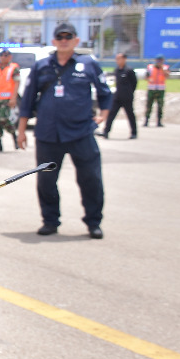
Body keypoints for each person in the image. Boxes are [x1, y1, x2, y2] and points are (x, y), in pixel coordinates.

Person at [18, 22, 112, 239]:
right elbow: (28, 100)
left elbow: (105, 93)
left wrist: (104, 116)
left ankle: (93, 222)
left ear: (76, 40)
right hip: (48, 134)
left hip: (81, 132)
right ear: (54, 41)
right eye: (59, 37)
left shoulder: (88, 64)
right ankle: (50, 221)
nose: (64, 40)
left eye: (68, 36)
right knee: (46, 181)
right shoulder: (42, 66)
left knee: (91, 179)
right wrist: (22, 131)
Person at [102, 53, 138, 139]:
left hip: (127, 97)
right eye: (116, 59)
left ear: (124, 59)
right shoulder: (117, 70)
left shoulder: (129, 70)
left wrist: (129, 92)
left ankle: (134, 132)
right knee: (111, 114)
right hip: (117, 97)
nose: (117, 61)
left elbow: (134, 83)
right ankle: (106, 132)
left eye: (119, 59)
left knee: (130, 115)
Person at [145, 55, 170, 127]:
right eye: (158, 60)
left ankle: (159, 121)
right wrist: (149, 79)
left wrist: (163, 69)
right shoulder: (150, 67)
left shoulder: (165, 68)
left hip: (161, 89)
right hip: (151, 89)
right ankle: (146, 120)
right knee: (149, 105)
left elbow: (167, 76)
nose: (159, 62)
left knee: (160, 106)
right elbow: (146, 77)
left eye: (161, 61)